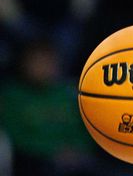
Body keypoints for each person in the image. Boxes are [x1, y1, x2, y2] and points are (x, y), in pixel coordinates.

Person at [0, 38, 96, 176]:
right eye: (37, 62)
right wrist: (52, 151)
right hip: (34, 162)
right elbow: (14, 136)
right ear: (24, 63)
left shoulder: (70, 93)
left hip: (78, 160)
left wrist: (77, 150)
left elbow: (85, 129)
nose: (43, 67)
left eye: (48, 62)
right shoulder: (12, 96)